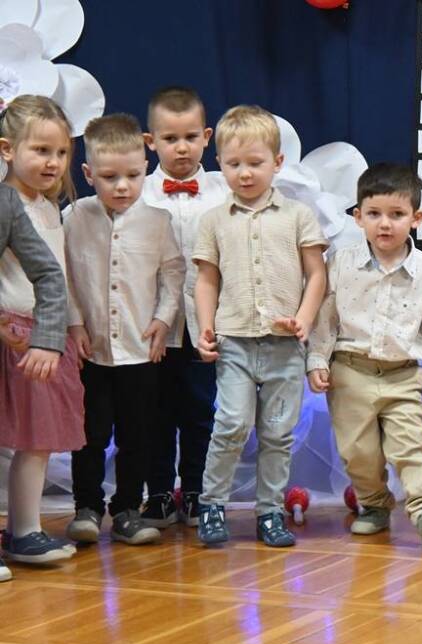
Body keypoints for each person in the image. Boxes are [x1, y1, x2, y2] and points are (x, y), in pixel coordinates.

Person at [307, 163, 422, 552]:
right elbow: (325, 318)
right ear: (358, 216)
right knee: (358, 452)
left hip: (402, 375)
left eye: (397, 214)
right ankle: (375, 504)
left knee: (411, 447)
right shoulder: (341, 263)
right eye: (374, 214)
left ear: (417, 219)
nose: (385, 224)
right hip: (350, 372)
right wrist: (317, 360)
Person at [194, 105, 327, 548]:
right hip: (234, 342)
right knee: (231, 423)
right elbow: (207, 279)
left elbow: (317, 274)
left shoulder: (298, 216)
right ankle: (211, 504)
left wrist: (303, 319)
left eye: (255, 163)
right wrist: (206, 327)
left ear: (278, 162)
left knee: (277, 432)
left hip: (285, 346)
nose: (245, 173)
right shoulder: (213, 221)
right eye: (234, 164)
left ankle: (270, 511)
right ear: (219, 164)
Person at [64, 113, 185, 546]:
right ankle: (87, 507)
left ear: (144, 169)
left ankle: (129, 509)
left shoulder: (158, 221)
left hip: (139, 350)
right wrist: (74, 323)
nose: (122, 187)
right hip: (92, 350)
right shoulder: (73, 217)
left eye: (133, 176)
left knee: (138, 433)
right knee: (89, 434)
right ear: (88, 173)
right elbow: (64, 276)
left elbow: (173, 274)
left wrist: (163, 319)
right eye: (109, 177)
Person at [141, 86, 229, 529]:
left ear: (207, 137)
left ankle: (196, 490)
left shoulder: (226, 192)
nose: (181, 147)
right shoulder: (137, 192)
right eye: (170, 138)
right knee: (155, 413)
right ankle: (157, 492)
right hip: (153, 326)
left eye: (191, 137)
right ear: (150, 141)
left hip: (205, 326)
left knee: (201, 411)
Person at [0, 95, 80, 575]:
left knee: (37, 439)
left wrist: (68, 328)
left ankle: (24, 530)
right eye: (41, 150)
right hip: (12, 331)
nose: (53, 162)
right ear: (7, 149)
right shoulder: (7, 203)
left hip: (40, 334)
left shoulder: (50, 208)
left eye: (62, 152)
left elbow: (56, 276)